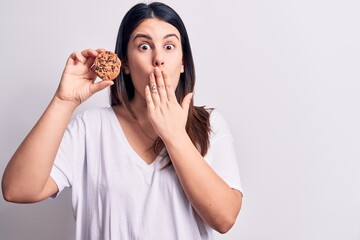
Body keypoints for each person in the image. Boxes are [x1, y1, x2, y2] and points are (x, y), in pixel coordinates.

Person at [2, 2, 243, 239]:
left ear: (182, 63)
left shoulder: (209, 123)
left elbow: (224, 218)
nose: (158, 58)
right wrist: (64, 100)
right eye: (144, 47)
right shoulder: (91, 128)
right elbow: (17, 190)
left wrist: (175, 135)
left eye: (169, 46)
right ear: (125, 64)